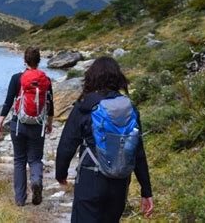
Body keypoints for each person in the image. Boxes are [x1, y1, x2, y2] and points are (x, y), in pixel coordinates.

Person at [55, 56, 154, 222]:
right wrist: (146, 191)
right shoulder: (129, 108)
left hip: (90, 179)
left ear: (91, 78)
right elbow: (138, 152)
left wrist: (61, 173)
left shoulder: (84, 106)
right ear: (118, 79)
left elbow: (67, 144)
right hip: (120, 182)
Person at [0, 46, 54, 206]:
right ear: (39, 61)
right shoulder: (45, 80)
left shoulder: (17, 78)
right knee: (35, 159)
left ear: (24, 61)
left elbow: (8, 101)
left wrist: (0, 122)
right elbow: (50, 104)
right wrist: (49, 124)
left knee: (19, 161)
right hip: (37, 125)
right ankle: (36, 181)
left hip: (18, 125)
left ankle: (20, 200)